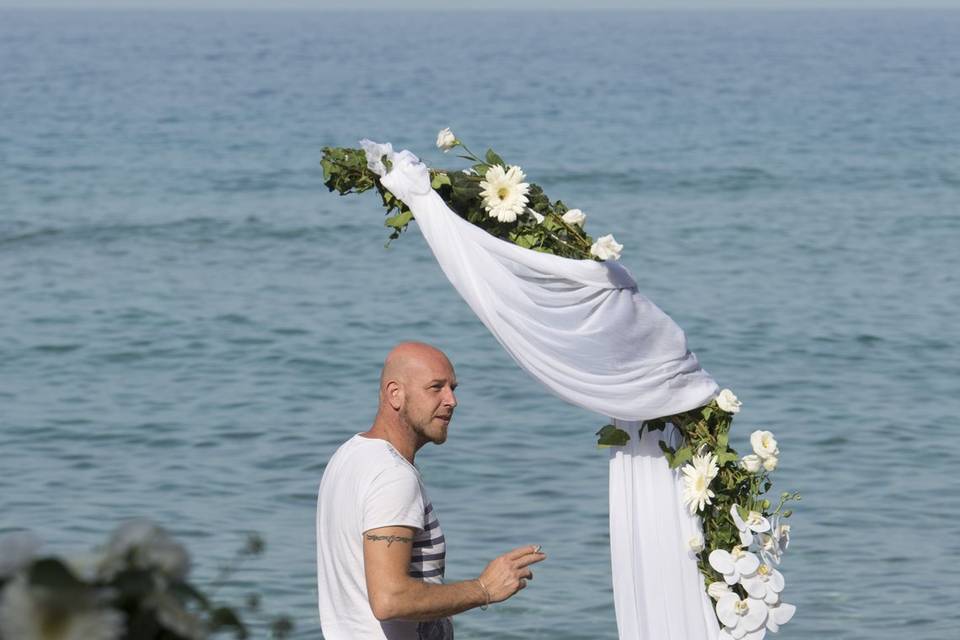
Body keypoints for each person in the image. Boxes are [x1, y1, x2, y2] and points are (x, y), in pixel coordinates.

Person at [316, 341, 546, 640]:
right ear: (394, 394)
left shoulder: (348, 455)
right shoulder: (393, 476)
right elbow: (390, 599)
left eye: (453, 388)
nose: (451, 400)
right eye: (436, 388)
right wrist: (484, 589)